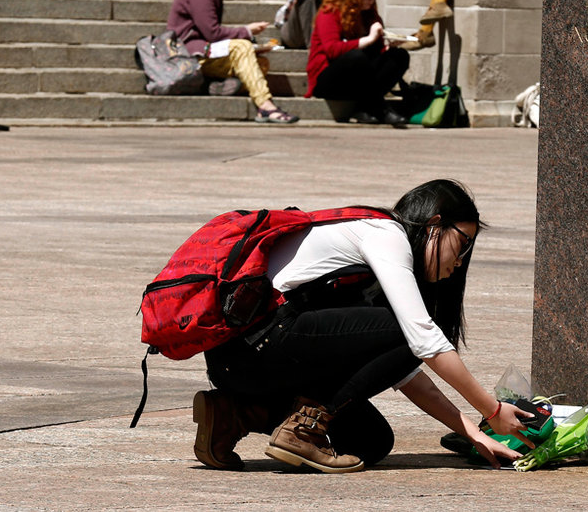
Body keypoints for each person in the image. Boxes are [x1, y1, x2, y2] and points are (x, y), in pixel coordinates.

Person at [192, 179, 536, 474]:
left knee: (370, 441)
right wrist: (491, 410)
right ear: (434, 224)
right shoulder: (386, 234)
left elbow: (405, 373)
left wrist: (474, 433)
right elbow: (422, 340)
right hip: (256, 343)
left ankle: (234, 413)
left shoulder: (378, 269)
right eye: (462, 243)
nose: (460, 261)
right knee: (411, 330)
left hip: (244, 363)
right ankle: (304, 429)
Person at [167, 0, 298, 124]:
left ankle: (212, 86)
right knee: (242, 47)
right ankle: (266, 107)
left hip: (204, 51)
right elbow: (212, 33)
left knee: (261, 63)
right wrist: (246, 31)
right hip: (191, 56)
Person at [305, 0, 409, 126]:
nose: (371, 0)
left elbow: (377, 51)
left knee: (399, 56)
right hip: (328, 78)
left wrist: (389, 45)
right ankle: (381, 108)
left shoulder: (369, 13)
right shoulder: (330, 11)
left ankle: (366, 108)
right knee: (356, 57)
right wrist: (368, 39)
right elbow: (332, 49)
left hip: (359, 79)